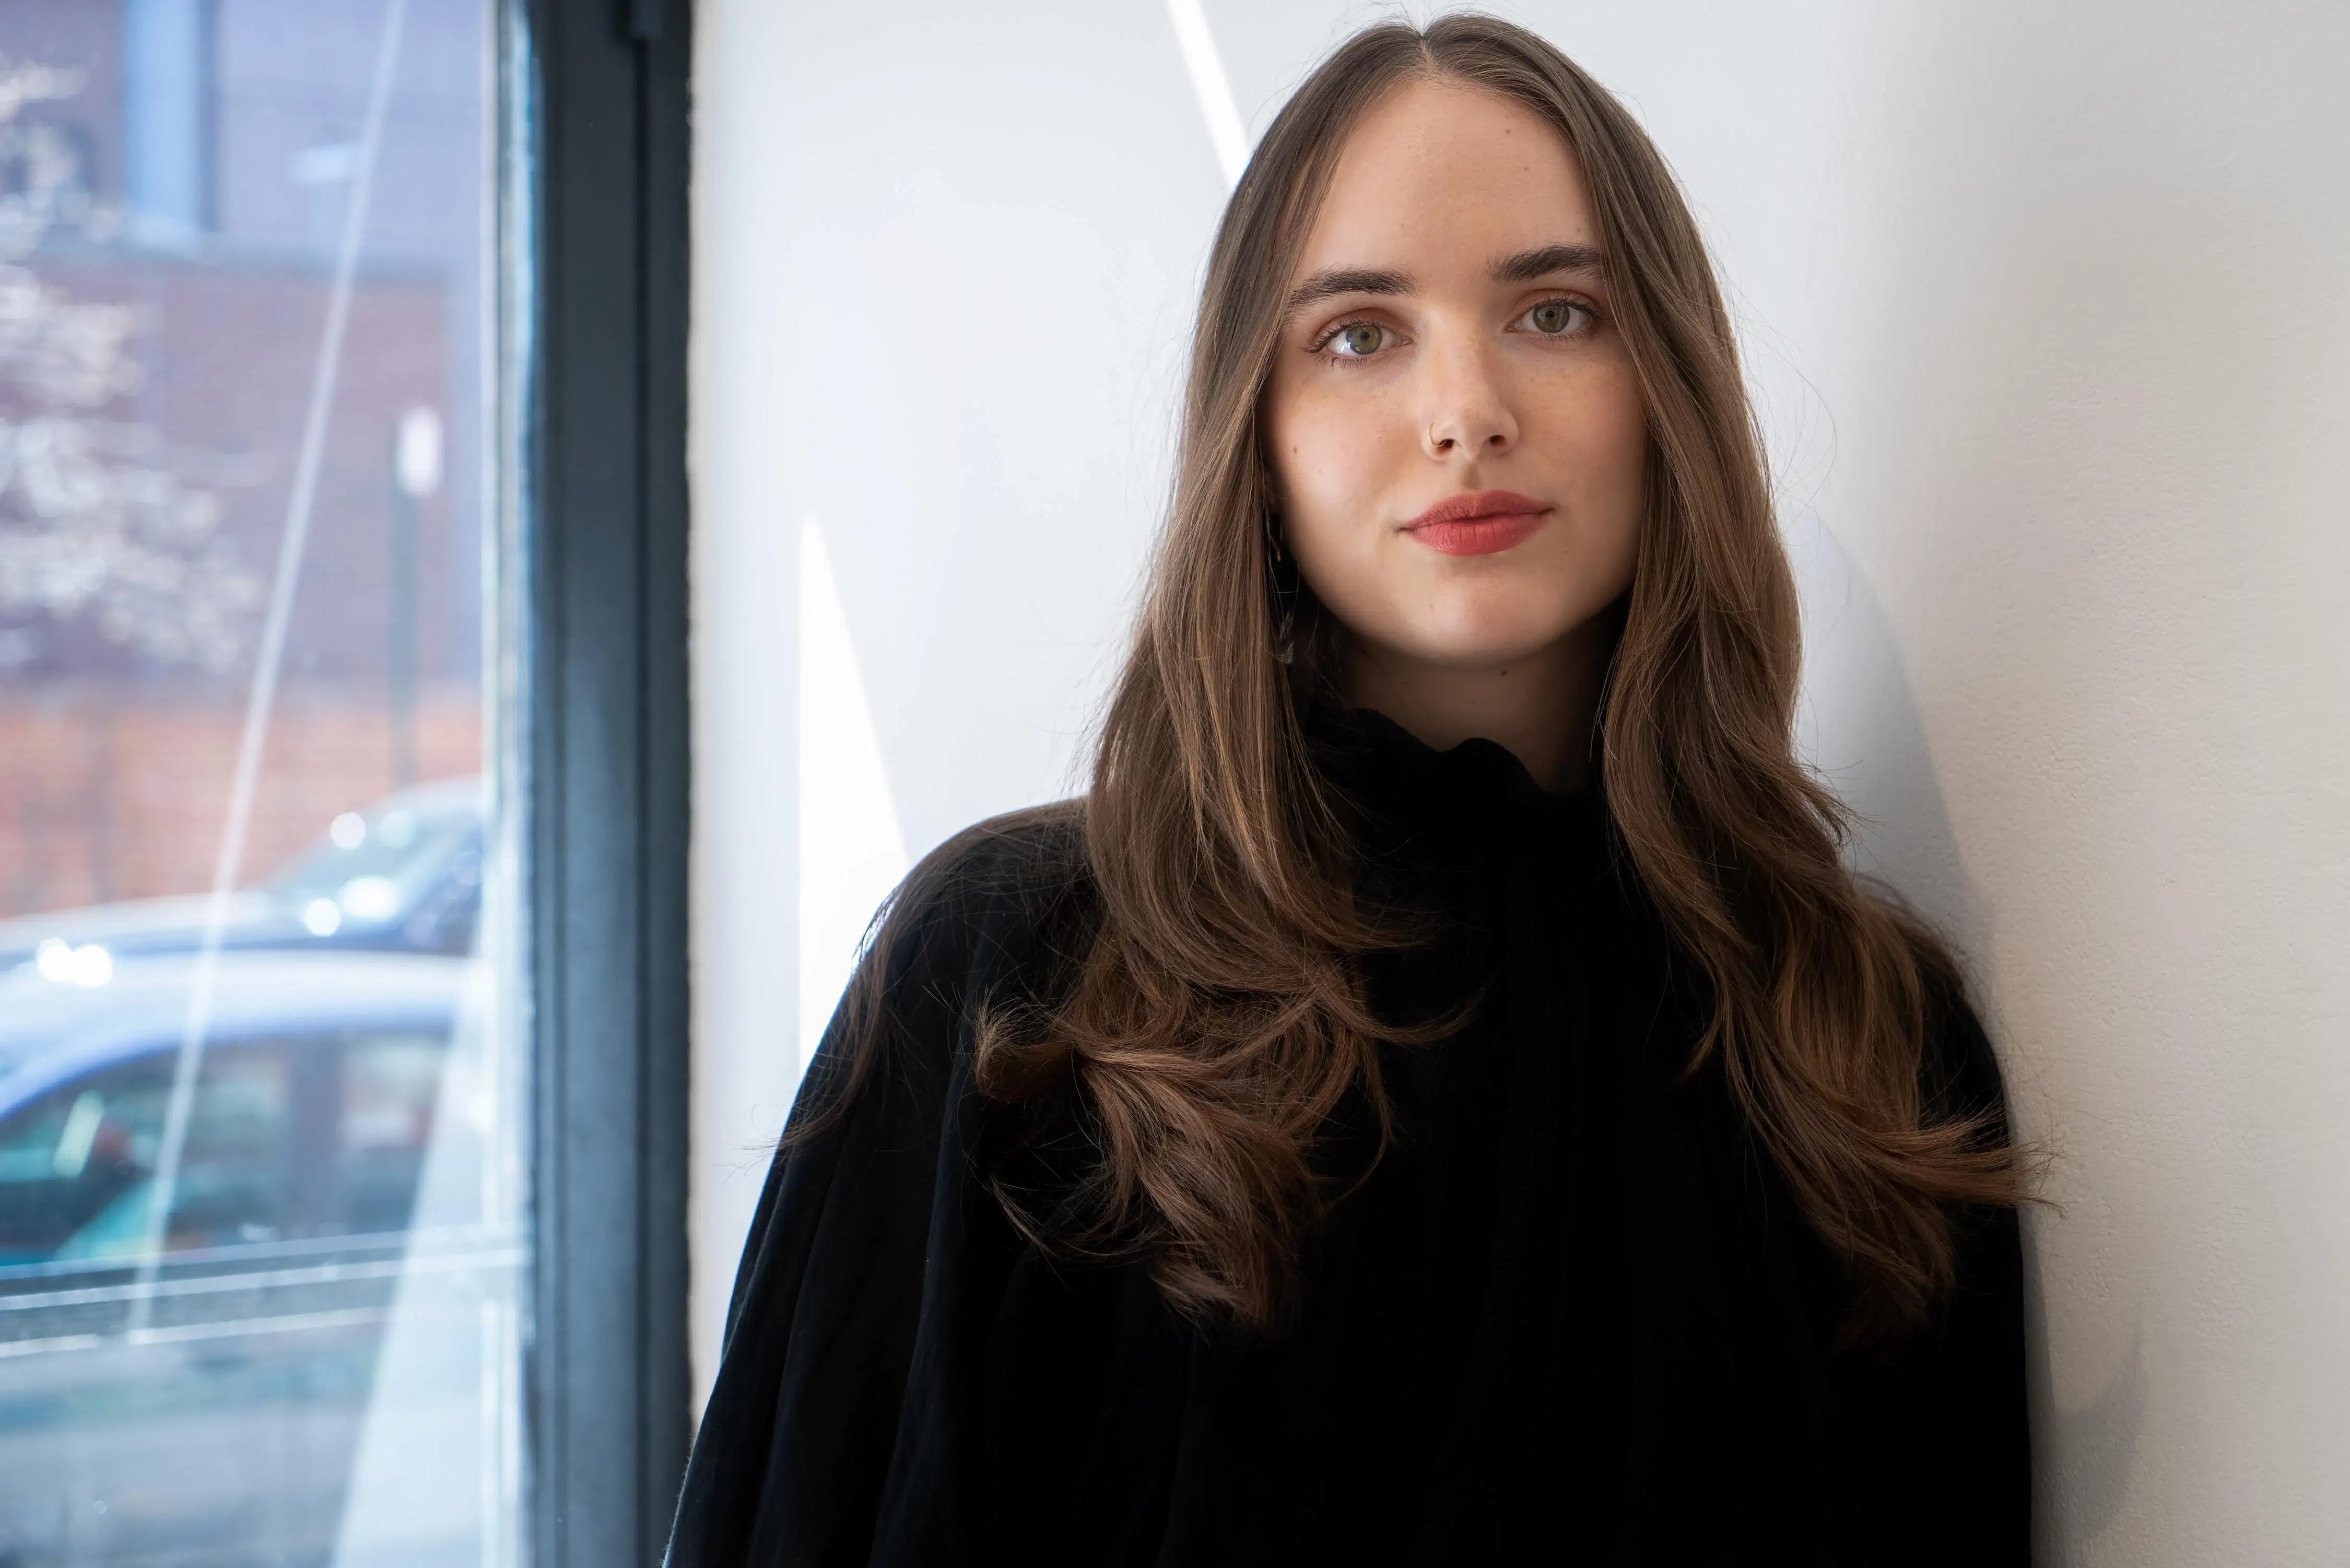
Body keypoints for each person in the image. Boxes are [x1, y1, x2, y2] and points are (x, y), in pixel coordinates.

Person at [667, 14, 2045, 1566]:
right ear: (1251, 436)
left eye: (1556, 310)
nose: (1464, 410)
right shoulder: (1013, 986)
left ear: (1669, 389)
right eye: (1355, 334)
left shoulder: (1858, 1038)